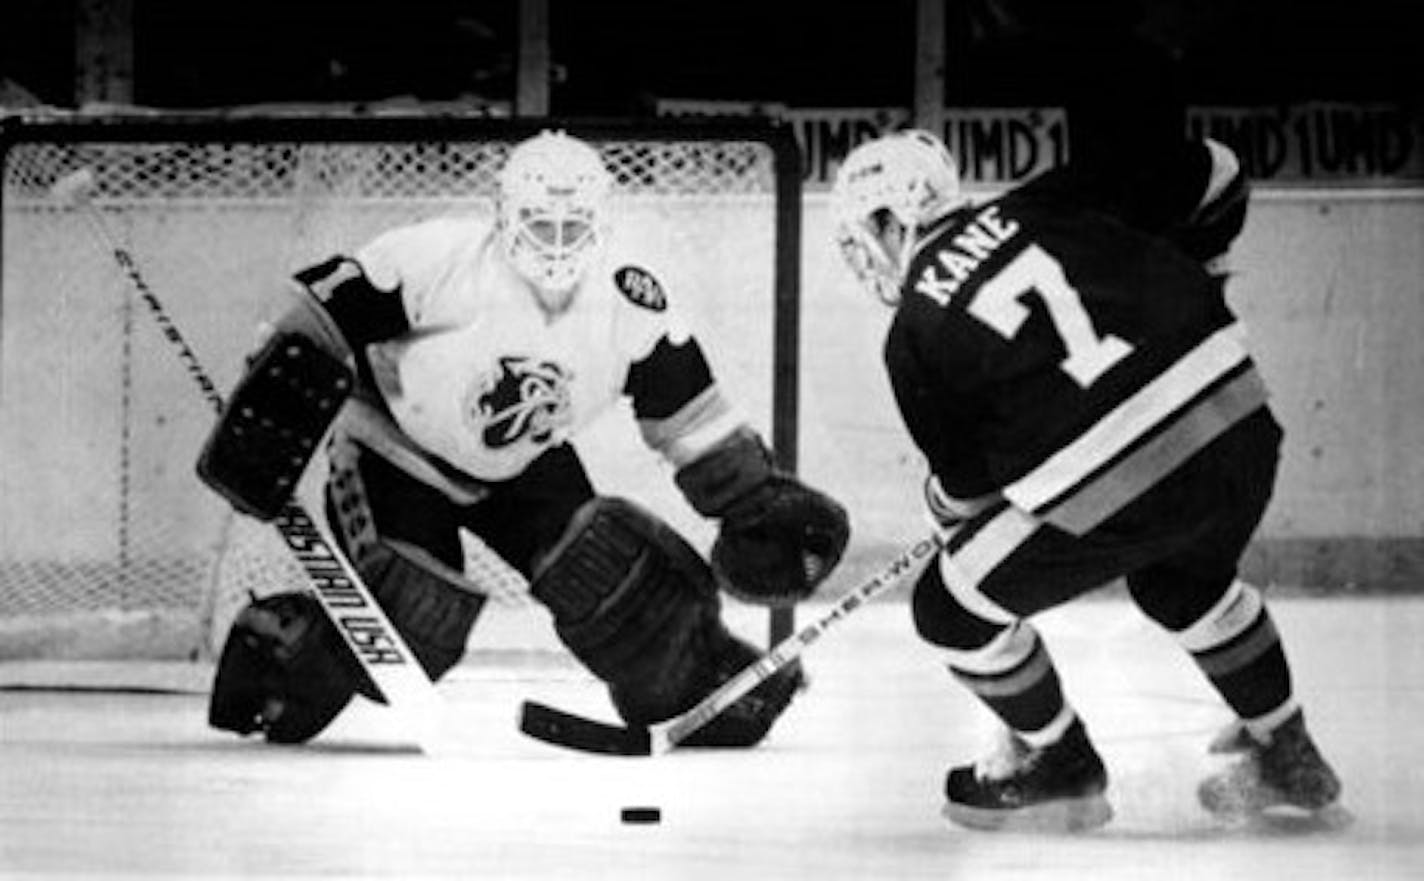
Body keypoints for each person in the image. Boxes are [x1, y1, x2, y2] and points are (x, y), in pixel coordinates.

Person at [196, 129, 849, 747]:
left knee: (622, 583)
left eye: (574, 226)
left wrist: (751, 497)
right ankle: (276, 656)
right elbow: (317, 308)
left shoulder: (629, 300)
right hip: (394, 449)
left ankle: (694, 683)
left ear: (602, 221)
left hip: (527, 460)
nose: (558, 241)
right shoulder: (436, 258)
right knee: (412, 623)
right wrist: (273, 396)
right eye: (541, 224)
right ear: (504, 216)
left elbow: (688, 415)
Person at [828, 128, 1342, 831]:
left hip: (1124, 484)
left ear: (890, 219)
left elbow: (972, 495)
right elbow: (1216, 169)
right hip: (1239, 427)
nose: (866, 256)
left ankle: (1058, 762)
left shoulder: (914, 330)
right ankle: (1288, 748)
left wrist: (943, 519)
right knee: (1181, 581)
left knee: (948, 610)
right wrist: (1202, 277)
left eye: (865, 235)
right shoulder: (1049, 201)